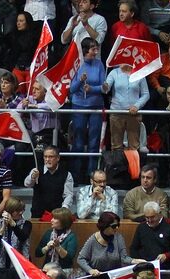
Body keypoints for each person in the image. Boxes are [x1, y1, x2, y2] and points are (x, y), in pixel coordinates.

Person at [77, 212, 139, 279]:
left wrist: (135, 261)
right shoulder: (93, 240)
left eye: (118, 225)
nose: (117, 228)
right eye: (114, 226)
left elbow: (124, 258)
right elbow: (81, 259)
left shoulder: (118, 238)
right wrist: (90, 270)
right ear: (105, 226)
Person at [69, 38, 105, 179]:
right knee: (78, 140)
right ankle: (75, 176)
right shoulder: (77, 64)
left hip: (96, 106)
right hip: (79, 106)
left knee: (94, 141)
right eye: (93, 49)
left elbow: (103, 87)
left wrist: (91, 89)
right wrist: (79, 80)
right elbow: (71, 89)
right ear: (85, 50)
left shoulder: (99, 64)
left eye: (96, 48)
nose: (95, 52)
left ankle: (92, 175)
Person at [103, 63, 148, 151]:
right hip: (117, 113)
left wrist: (136, 106)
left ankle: (133, 165)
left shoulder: (139, 73)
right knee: (116, 146)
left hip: (134, 114)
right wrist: (104, 87)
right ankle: (117, 165)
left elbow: (146, 94)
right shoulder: (114, 73)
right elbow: (106, 89)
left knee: (134, 146)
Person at [130, 202, 170, 272]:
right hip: (144, 269)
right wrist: (138, 261)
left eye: (152, 217)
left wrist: (166, 256)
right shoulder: (141, 227)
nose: (149, 220)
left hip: (164, 269)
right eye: (147, 217)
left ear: (160, 214)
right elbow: (134, 248)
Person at [25, 146, 74, 219]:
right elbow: (27, 184)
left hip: (57, 215)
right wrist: (32, 177)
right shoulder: (36, 170)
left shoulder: (66, 174)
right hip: (38, 214)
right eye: (45, 157)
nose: (47, 159)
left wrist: (64, 209)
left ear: (58, 158)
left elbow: (68, 195)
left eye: (51, 157)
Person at [36, 208, 77, 272]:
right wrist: (47, 247)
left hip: (63, 272)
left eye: (55, 218)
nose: (51, 220)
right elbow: (37, 254)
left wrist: (58, 247)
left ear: (63, 221)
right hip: (47, 270)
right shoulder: (49, 233)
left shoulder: (71, 236)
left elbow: (69, 259)